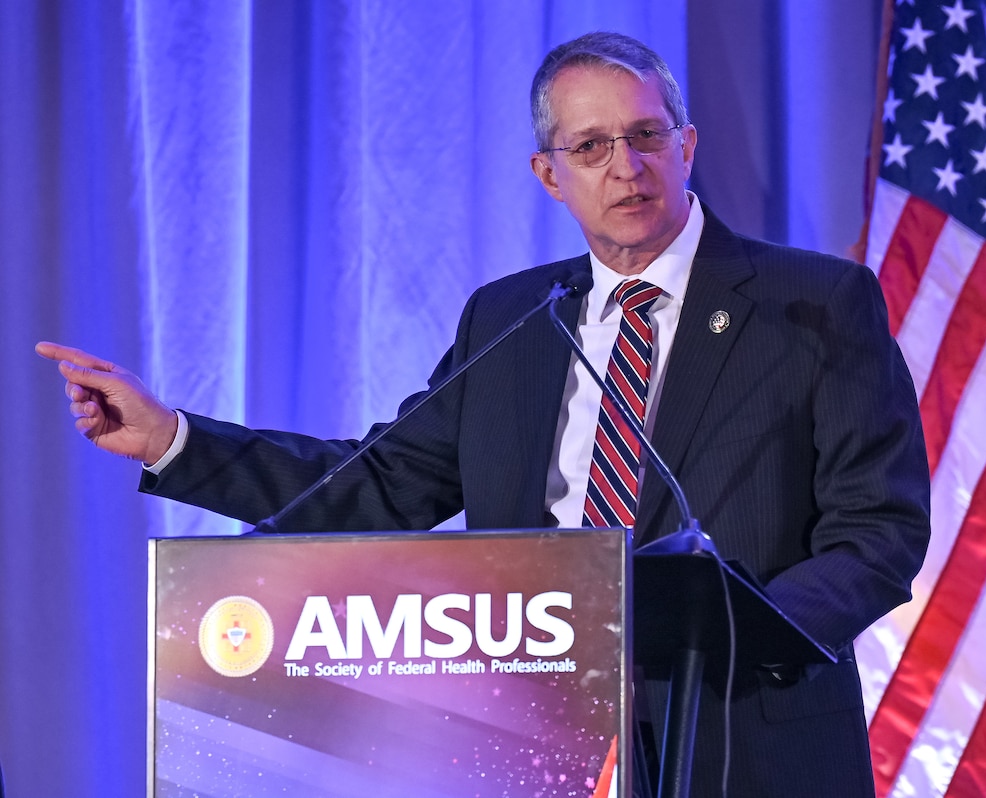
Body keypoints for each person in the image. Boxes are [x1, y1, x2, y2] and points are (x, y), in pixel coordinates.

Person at [38, 31, 929, 797]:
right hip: (534, 744)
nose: (626, 167)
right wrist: (173, 440)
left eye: (646, 135)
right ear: (548, 174)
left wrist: (738, 634)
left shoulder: (815, 302)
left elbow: (878, 530)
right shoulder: (511, 319)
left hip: (746, 738)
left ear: (687, 143)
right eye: (591, 148)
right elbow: (381, 486)